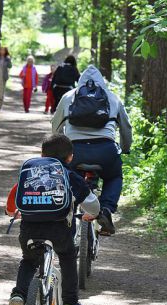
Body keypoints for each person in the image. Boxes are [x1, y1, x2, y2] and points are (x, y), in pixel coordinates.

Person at [4, 134, 101, 305]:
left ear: (42, 154)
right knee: (67, 256)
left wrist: (12, 211)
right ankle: (70, 303)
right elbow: (91, 205)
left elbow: (11, 205)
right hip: (59, 230)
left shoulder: (30, 173)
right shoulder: (69, 175)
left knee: (29, 261)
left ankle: (18, 296)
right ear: (70, 157)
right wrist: (93, 215)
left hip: (30, 228)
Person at [51, 65, 133, 236]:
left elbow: (55, 125)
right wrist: (125, 148)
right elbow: (126, 128)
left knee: (68, 177)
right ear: (102, 81)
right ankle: (106, 209)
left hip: (74, 150)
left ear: (80, 80)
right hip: (105, 151)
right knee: (114, 176)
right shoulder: (113, 98)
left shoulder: (69, 96)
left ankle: (67, 208)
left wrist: (58, 148)